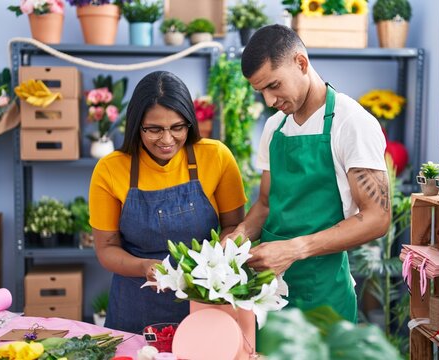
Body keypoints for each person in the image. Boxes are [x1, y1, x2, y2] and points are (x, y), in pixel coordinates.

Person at [225, 24, 391, 322]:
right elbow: (265, 204)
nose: (269, 101)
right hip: (267, 291)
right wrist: (241, 234)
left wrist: (294, 249)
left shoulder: (351, 122)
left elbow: (377, 218)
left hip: (323, 292)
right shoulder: (274, 127)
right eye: (260, 91)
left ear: (300, 63)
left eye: (274, 85)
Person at [89, 71, 247, 334]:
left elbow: (234, 227)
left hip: (204, 302)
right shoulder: (110, 169)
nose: (166, 139)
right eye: (154, 129)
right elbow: (106, 248)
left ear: (190, 123)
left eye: (177, 127)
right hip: (136, 305)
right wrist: (144, 267)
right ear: (136, 125)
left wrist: (212, 264)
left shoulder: (216, 157)